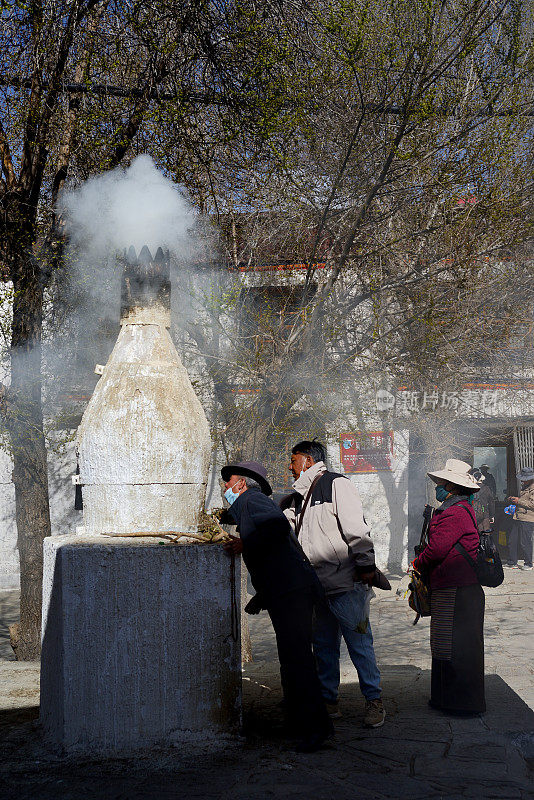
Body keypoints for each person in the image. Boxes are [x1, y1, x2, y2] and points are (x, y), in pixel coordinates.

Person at [220, 460, 333, 752]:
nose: (224, 488)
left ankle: (315, 730)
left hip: (293, 591)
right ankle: (304, 723)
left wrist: (245, 544)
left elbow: (277, 526)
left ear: (241, 484)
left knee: (298, 660)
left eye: (227, 482)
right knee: (291, 660)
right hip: (287, 591)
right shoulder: (247, 505)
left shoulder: (253, 500)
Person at [280, 440, 385, 728]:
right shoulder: (298, 496)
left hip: (346, 584)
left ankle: (374, 700)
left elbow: (356, 529)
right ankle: (329, 701)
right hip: (317, 587)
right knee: (324, 647)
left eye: (293, 459)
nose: (290, 466)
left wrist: (365, 565)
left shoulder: (336, 484)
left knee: (360, 644)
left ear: (308, 460)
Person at [413, 458, 485, 715]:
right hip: (458, 588)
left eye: (441, 483)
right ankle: (449, 699)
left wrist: (418, 562)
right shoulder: (460, 508)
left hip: (457, 590)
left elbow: (437, 549)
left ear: (452, 486)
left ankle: (458, 703)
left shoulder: (453, 512)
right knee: (452, 645)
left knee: (453, 647)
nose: (437, 488)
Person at [505, 466, 534, 570]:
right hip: (517, 517)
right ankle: (512, 562)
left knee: (526, 542)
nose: (522, 480)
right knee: (512, 540)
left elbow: (532, 504)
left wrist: (519, 501)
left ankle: (528, 563)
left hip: (528, 519)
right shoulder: (524, 487)